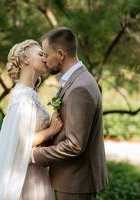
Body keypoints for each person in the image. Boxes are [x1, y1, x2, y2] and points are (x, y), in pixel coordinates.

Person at [0, 39, 63, 200]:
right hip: (26, 178)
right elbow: (20, 142)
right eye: (40, 54)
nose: (45, 58)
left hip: (36, 171)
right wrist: (51, 130)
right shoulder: (22, 98)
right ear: (25, 60)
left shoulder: (29, 94)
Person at [31, 27, 109, 200]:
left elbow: (75, 145)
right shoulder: (77, 80)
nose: (43, 58)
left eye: (45, 54)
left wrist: (35, 155)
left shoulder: (79, 87)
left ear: (60, 53)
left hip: (76, 182)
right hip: (73, 179)